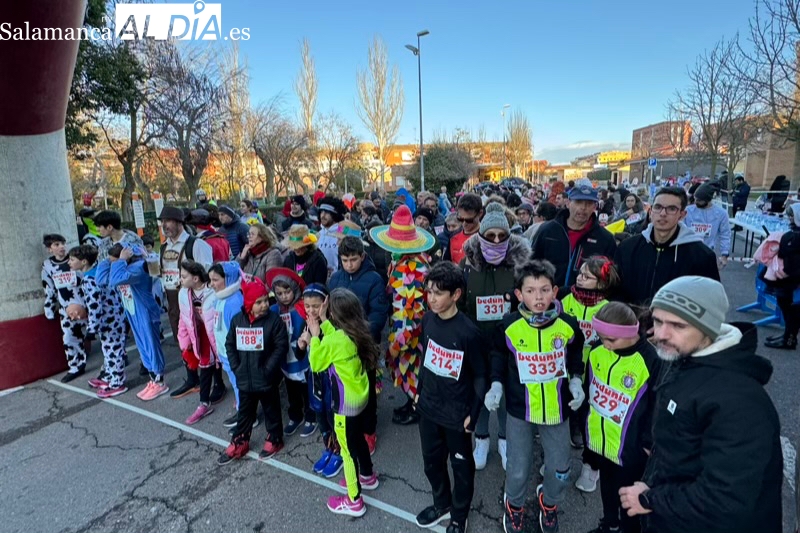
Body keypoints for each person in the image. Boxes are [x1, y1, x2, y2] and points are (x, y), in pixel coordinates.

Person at [619, 276, 783, 533]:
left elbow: (725, 501)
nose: (660, 334)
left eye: (678, 325)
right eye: (658, 321)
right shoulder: (690, 359)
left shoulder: (739, 402)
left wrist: (650, 499)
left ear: (708, 327)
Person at [487, 259, 584, 533]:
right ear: (519, 294)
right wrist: (496, 385)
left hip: (557, 409)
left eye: (544, 290)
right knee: (517, 468)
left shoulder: (568, 324)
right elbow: (497, 356)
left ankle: (549, 501)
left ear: (554, 291)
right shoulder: (508, 325)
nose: (538, 297)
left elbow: (575, 354)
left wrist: (576, 380)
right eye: (530, 291)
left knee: (560, 468)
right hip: (520, 410)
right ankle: (514, 505)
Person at [414, 261, 488, 533]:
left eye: (438, 293)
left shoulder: (469, 333)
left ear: (456, 295)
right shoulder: (428, 320)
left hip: (457, 415)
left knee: (461, 468)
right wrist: (419, 391)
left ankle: (459, 516)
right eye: (429, 291)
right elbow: (426, 357)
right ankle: (441, 502)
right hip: (428, 408)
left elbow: (481, 375)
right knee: (431, 464)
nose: (431, 298)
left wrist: (474, 412)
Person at [461, 202, 531, 471]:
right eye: (490, 235)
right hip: (476, 343)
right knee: (478, 393)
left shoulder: (520, 266)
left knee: (505, 395)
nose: (496, 240)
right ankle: (481, 439)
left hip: (508, 345)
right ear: (481, 235)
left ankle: (504, 440)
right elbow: (460, 303)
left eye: (502, 235)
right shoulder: (466, 266)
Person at [581, 302, 661, 533]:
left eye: (611, 340)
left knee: (629, 497)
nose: (605, 345)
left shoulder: (650, 360)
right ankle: (609, 524)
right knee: (607, 488)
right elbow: (590, 391)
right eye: (601, 337)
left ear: (630, 334)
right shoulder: (597, 351)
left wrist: (647, 443)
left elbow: (657, 405)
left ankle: (628, 529)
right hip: (602, 440)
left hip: (631, 449)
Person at [307, 288, 380, 518]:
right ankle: (367, 475)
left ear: (335, 314)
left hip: (344, 407)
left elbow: (316, 364)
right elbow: (336, 341)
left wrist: (314, 336)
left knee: (347, 453)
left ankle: (354, 500)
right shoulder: (355, 331)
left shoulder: (335, 340)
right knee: (358, 439)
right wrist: (325, 323)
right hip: (360, 398)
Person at [369, 205, 436, 424]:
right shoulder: (403, 261)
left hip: (409, 329)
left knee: (412, 369)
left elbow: (412, 309)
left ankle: (417, 409)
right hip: (401, 324)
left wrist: (401, 339)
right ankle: (412, 403)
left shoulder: (413, 267)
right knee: (408, 371)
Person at [217, 276, 289, 464]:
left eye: (266, 300)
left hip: (266, 378)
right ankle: (240, 440)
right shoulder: (237, 320)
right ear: (249, 303)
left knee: (271, 411)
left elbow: (281, 347)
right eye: (259, 302)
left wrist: (268, 369)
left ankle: (274, 438)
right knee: (245, 412)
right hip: (245, 378)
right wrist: (236, 367)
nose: (264, 305)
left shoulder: (273, 322)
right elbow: (230, 344)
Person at [328, 235, 389, 454]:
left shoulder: (373, 279)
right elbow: (330, 312)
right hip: (341, 349)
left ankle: (369, 430)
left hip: (364, 346)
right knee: (343, 390)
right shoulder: (335, 279)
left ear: (362, 257)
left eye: (353, 259)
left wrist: (358, 338)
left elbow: (379, 315)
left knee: (366, 391)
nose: (349, 264)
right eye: (345, 260)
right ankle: (345, 429)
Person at [614, 187, 719, 312]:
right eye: (658, 207)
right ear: (651, 211)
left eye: (671, 209)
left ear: (682, 215)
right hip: (630, 326)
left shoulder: (702, 256)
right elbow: (614, 290)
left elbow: (710, 303)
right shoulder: (627, 248)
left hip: (674, 329)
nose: (663, 213)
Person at [560, 256, 620, 452]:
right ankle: (560, 424)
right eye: (580, 274)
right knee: (563, 391)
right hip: (566, 358)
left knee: (585, 398)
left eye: (587, 277)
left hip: (594, 363)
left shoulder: (607, 308)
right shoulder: (564, 297)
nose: (580, 278)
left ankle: (578, 427)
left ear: (602, 284)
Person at [97, 243, 168, 401]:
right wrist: (107, 260)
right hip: (133, 311)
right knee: (143, 347)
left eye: (114, 260)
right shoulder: (122, 267)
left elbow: (116, 280)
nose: (113, 262)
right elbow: (101, 280)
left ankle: (160, 381)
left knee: (151, 346)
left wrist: (120, 261)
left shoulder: (139, 267)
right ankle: (153, 379)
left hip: (145, 312)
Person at [159, 206, 214, 398]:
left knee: (206, 341)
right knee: (183, 340)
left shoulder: (196, 245)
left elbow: (209, 274)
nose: (164, 225)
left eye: (169, 221)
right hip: (175, 300)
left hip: (196, 299)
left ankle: (217, 383)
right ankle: (192, 378)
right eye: (162, 222)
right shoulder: (164, 247)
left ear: (180, 222)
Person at [265, 267, 317, 438]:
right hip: (285, 356)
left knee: (306, 388)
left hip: (302, 354)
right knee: (291, 389)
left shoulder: (303, 308)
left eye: (287, 291)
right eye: (279, 293)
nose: (284, 296)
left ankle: (311, 416)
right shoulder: (274, 311)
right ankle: (295, 416)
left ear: (294, 288)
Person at [70, 244, 128, 398]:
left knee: (114, 351)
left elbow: (94, 305)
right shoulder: (98, 272)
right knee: (109, 350)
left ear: (83, 262)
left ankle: (117, 382)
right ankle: (109, 376)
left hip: (108, 321)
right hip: (114, 317)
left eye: (72, 259)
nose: (69, 262)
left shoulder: (89, 279)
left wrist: (91, 329)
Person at [531, 184, 617, 288]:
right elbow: (531, 266)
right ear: (568, 203)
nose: (583, 208)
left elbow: (611, 278)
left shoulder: (604, 239)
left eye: (589, 203)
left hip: (586, 301)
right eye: (578, 202)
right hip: (549, 299)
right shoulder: (548, 231)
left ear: (595, 207)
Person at [300, 284, 344, 478]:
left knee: (333, 414)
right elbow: (301, 353)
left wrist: (314, 339)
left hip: (331, 380)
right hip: (315, 379)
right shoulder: (308, 323)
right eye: (307, 306)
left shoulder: (333, 325)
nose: (311, 310)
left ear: (326, 303)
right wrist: (301, 344)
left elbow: (328, 356)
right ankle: (328, 446)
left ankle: (339, 451)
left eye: (316, 306)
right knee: (320, 414)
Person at [177, 260, 220, 424]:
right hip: (200, 334)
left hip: (216, 333)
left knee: (225, 365)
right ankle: (204, 402)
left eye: (184, 276)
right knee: (206, 365)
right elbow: (184, 319)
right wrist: (184, 342)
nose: (181, 279)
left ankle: (238, 399)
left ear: (195, 278)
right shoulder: (183, 293)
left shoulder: (213, 291)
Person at [42, 234, 88, 382]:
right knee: (69, 338)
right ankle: (76, 366)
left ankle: (117, 359)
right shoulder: (48, 266)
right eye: (56, 244)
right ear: (50, 249)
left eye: (62, 243)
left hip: (86, 304)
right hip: (66, 309)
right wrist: (49, 309)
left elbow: (87, 276)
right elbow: (49, 289)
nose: (61, 247)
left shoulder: (75, 259)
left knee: (101, 332)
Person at [208, 262, 246, 429]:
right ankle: (241, 408)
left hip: (234, 354)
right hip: (225, 352)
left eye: (215, 280)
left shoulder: (235, 301)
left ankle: (245, 415)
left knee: (240, 384)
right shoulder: (221, 298)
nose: (212, 284)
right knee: (235, 383)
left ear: (228, 278)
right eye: (210, 280)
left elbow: (238, 332)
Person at [762, 203, 800, 350]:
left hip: (790, 279)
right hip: (791, 278)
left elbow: (784, 253)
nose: (789, 218)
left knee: (791, 309)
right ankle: (788, 336)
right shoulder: (793, 234)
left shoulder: (793, 236)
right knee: (790, 309)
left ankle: (789, 339)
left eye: (792, 215)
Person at [683, 183, 731, 268]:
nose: (695, 202)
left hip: (708, 253)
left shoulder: (721, 214)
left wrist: (724, 254)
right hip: (688, 253)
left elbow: (725, 234)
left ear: (708, 200)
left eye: (699, 200)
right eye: (695, 199)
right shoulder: (688, 211)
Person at [317, 196, 348, 276]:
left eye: (327, 212)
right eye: (321, 212)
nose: (323, 215)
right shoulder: (318, 235)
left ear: (335, 214)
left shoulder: (344, 232)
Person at [449, 193, 483, 264]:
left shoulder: (487, 237)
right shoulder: (453, 236)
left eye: (469, 220)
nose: (464, 223)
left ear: (480, 214)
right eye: (460, 219)